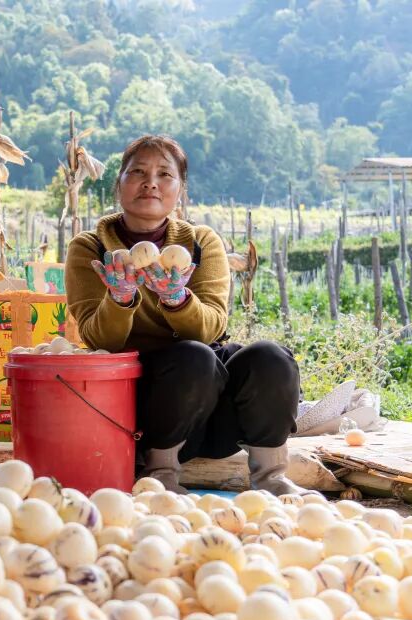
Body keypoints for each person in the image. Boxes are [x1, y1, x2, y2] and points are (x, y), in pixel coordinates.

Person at [65, 135, 303, 495]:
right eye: (138, 172)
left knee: (271, 358)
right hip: (141, 411)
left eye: (165, 174)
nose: (151, 183)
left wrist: (176, 299)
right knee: (193, 357)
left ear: (181, 189)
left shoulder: (201, 242)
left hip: (210, 409)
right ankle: (160, 475)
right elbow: (98, 338)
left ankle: (272, 478)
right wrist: (120, 299)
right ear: (119, 183)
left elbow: (212, 326)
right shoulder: (91, 248)